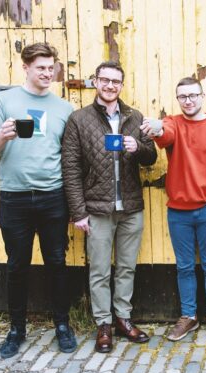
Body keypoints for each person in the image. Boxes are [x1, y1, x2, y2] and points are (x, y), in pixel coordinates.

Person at [0, 42, 78, 358]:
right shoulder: (4, 101)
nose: (48, 73)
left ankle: (62, 326)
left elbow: (71, 155)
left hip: (52, 196)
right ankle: (16, 330)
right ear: (25, 67)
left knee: (57, 264)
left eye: (51, 68)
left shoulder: (64, 108)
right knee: (17, 266)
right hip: (15, 198)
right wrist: (3, 135)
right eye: (41, 68)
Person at [62, 61, 157, 353]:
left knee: (126, 267)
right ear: (95, 81)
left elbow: (150, 157)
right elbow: (71, 168)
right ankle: (103, 324)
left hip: (130, 207)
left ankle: (123, 319)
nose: (110, 86)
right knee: (100, 270)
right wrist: (78, 212)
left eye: (116, 81)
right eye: (104, 80)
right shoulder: (79, 119)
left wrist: (138, 148)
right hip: (97, 209)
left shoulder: (134, 116)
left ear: (121, 85)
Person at [141, 77, 206, 342]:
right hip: (178, 210)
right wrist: (157, 127)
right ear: (177, 99)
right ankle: (189, 316)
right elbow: (165, 132)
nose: (188, 101)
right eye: (182, 96)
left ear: (202, 95)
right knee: (184, 267)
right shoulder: (174, 122)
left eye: (193, 95)